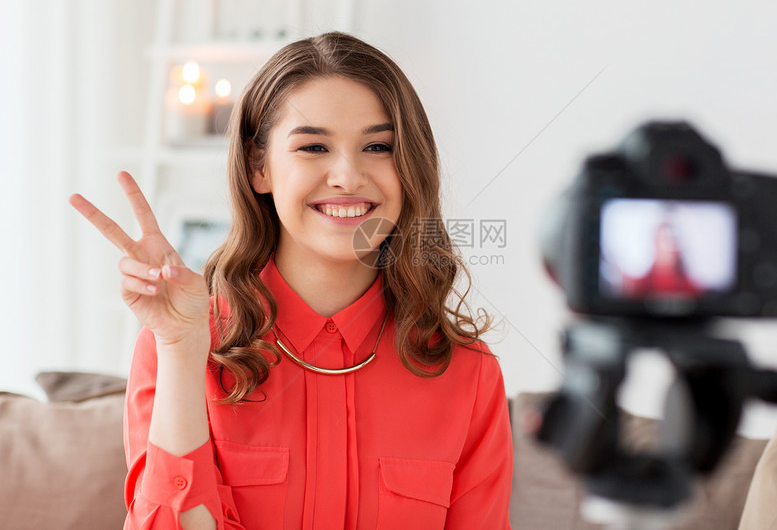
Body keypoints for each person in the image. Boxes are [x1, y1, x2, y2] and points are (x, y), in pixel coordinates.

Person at [70, 32, 513, 530]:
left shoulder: (468, 372)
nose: (347, 176)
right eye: (314, 146)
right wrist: (179, 348)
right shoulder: (180, 346)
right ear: (259, 166)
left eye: (376, 146)